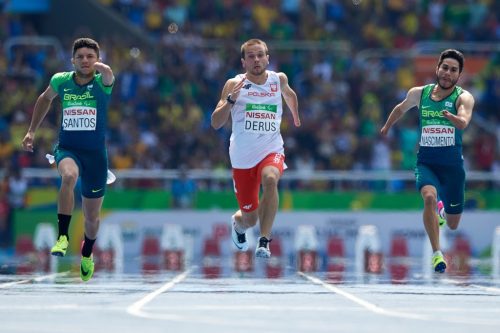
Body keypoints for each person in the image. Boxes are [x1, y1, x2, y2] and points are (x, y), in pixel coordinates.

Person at [22, 38, 115, 281]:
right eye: (80, 57)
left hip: (95, 156)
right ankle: (62, 236)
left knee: (91, 219)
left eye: (90, 57)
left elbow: (109, 77)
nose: (85, 60)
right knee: (69, 176)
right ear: (72, 60)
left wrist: (104, 68)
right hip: (68, 149)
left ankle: (87, 254)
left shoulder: (101, 82)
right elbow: (44, 99)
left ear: (97, 59)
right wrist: (31, 131)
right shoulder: (60, 81)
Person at [380, 49, 475, 273]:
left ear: (458, 75)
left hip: (452, 168)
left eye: (453, 70)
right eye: (444, 68)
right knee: (429, 197)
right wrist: (386, 126)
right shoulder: (419, 94)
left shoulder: (464, 97)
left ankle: (443, 213)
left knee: (453, 224)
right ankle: (437, 254)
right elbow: (400, 108)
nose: (447, 73)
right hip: (427, 163)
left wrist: (454, 118)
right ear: (437, 68)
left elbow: (464, 121)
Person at [211, 38, 301, 258]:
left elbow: (290, 95)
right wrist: (231, 101)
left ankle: (264, 241)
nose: (256, 59)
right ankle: (239, 224)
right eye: (251, 56)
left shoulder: (278, 80)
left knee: (271, 179)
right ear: (244, 62)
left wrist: (296, 116)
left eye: (260, 55)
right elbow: (215, 122)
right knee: (250, 218)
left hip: (272, 149)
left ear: (268, 58)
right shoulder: (234, 84)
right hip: (243, 158)